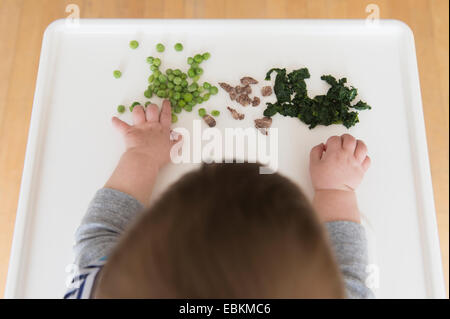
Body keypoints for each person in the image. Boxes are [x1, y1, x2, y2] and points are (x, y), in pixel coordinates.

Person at [64, 100, 373, 299]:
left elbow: (101, 231)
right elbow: (348, 275)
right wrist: (337, 190)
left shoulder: (104, 288)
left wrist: (142, 154)